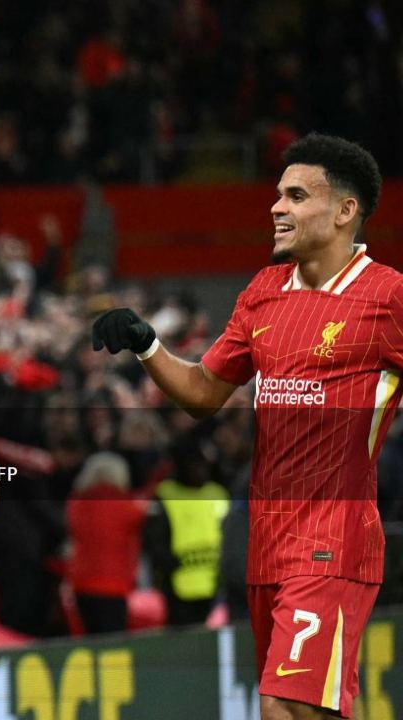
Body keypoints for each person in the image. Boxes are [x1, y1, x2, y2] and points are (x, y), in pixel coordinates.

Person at [93, 133, 392, 720]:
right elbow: (205, 393)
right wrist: (147, 344)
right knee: (301, 710)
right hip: (267, 545)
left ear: (344, 211)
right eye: (278, 195)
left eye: (297, 195)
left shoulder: (387, 297)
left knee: (288, 706)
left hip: (335, 540)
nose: (277, 208)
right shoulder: (262, 293)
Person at [145, 434, 230, 627]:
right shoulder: (165, 494)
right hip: (178, 588)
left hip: (218, 586)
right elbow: (156, 542)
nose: (200, 470)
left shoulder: (218, 494)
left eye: (203, 465)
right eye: (195, 465)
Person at [64, 452, 146, 634]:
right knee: (112, 644)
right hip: (114, 585)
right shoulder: (128, 507)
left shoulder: (76, 504)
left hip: (82, 583)